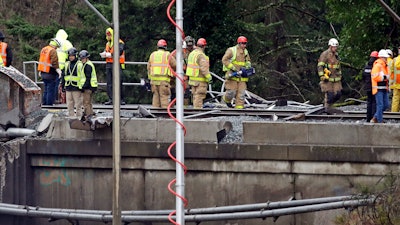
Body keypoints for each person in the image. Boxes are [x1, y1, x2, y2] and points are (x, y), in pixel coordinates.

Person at [221, 36, 252, 109]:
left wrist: (248, 65)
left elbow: (248, 61)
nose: (244, 45)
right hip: (232, 75)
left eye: (245, 43)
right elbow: (224, 60)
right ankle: (226, 99)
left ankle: (239, 109)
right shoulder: (232, 50)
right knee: (231, 92)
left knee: (241, 94)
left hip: (242, 77)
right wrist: (232, 67)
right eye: (243, 43)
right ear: (239, 43)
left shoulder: (246, 52)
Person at [147, 39, 176, 108]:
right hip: (164, 81)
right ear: (165, 47)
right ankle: (165, 116)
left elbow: (148, 67)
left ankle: (155, 115)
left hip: (153, 81)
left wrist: (150, 78)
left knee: (155, 98)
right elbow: (175, 65)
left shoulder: (152, 55)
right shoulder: (167, 55)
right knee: (164, 98)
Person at [100, 27, 126, 105]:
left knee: (118, 82)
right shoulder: (108, 44)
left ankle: (120, 99)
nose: (108, 36)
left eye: (109, 34)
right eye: (107, 35)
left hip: (117, 64)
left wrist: (110, 55)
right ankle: (111, 99)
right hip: (109, 64)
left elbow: (119, 51)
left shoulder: (119, 42)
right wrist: (104, 54)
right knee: (109, 83)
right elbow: (106, 51)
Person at [317, 38, 343, 113]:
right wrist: (322, 76)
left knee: (338, 94)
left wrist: (340, 75)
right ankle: (327, 108)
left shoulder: (336, 55)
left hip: (336, 79)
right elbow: (320, 66)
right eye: (334, 47)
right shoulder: (325, 54)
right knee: (330, 95)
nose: (335, 48)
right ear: (330, 46)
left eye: (336, 47)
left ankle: (329, 107)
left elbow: (338, 66)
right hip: (327, 79)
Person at [185, 38, 212, 109]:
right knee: (199, 95)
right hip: (200, 80)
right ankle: (198, 111)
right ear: (204, 46)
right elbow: (204, 68)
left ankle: (195, 109)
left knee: (195, 95)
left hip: (193, 79)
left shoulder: (192, 54)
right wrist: (209, 77)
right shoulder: (200, 55)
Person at [60, 47, 83, 118]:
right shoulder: (67, 64)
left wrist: (82, 87)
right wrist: (63, 85)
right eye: (70, 56)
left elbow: (82, 76)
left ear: (75, 56)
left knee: (78, 104)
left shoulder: (79, 64)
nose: (71, 57)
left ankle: (79, 118)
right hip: (68, 87)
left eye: (72, 56)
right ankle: (71, 117)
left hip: (77, 87)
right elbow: (64, 75)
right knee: (69, 104)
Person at [38, 38, 61, 105]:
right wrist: (58, 69)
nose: (56, 48)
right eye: (56, 47)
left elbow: (41, 60)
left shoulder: (44, 49)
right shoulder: (52, 50)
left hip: (43, 72)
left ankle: (44, 103)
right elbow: (54, 61)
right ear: (55, 45)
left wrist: (40, 70)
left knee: (46, 90)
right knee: (51, 90)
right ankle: (49, 105)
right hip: (50, 73)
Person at [370, 49, 390, 123]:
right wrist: (384, 78)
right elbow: (374, 76)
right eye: (385, 57)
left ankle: (375, 117)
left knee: (386, 105)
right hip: (378, 89)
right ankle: (379, 120)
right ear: (382, 57)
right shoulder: (377, 65)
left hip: (384, 88)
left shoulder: (385, 66)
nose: (386, 59)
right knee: (380, 105)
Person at [55, 29, 74, 104]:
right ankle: (62, 99)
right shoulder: (67, 43)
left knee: (54, 84)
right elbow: (72, 53)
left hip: (54, 66)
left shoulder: (54, 42)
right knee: (62, 83)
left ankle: (55, 99)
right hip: (63, 66)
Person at [79, 50, 98, 119]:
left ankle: (88, 116)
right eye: (81, 59)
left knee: (86, 102)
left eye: (83, 58)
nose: (82, 60)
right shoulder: (89, 64)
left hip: (88, 87)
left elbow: (88, 78)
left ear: (87, 58)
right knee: (89, 102)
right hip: (92, 86)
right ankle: (90, 114)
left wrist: (83, 87)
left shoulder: (87, 66)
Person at [362, 51, 378, 122]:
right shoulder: (375, 67)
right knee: (374, 102)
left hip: (367, 87)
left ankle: (368, 118)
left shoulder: (366, 67)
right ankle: (373, 117)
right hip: (374, 87)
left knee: (369, 102)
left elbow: (363, 77)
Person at [389, 46, 400, 112]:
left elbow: (391, 72)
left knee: (396, 99)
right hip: (397, 83)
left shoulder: (395, 60)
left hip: (397, 83)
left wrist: (391, 84)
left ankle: (394, 114)